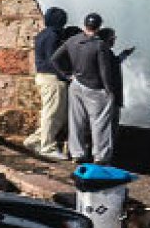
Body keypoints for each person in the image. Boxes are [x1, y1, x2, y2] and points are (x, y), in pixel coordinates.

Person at [49, 12, 119, 165]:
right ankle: (100, 156)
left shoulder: (72, 40)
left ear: (85, 25)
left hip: (76, 84)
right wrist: (109, 90)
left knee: (76, 121)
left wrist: (67, 75)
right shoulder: (99, 45)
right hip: (96, 88)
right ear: (99, 26)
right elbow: (104, 70)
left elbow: (54, 59)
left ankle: (77, 153)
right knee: (100, 123)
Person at [25, 7, 69, 159]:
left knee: (52, 112)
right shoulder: (53, 36)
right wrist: (65, 75)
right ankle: (48, 147)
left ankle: (34, 140)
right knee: (53, 114)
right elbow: (53, 60)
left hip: (43, 76)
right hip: (52, 79)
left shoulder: (42, 34)